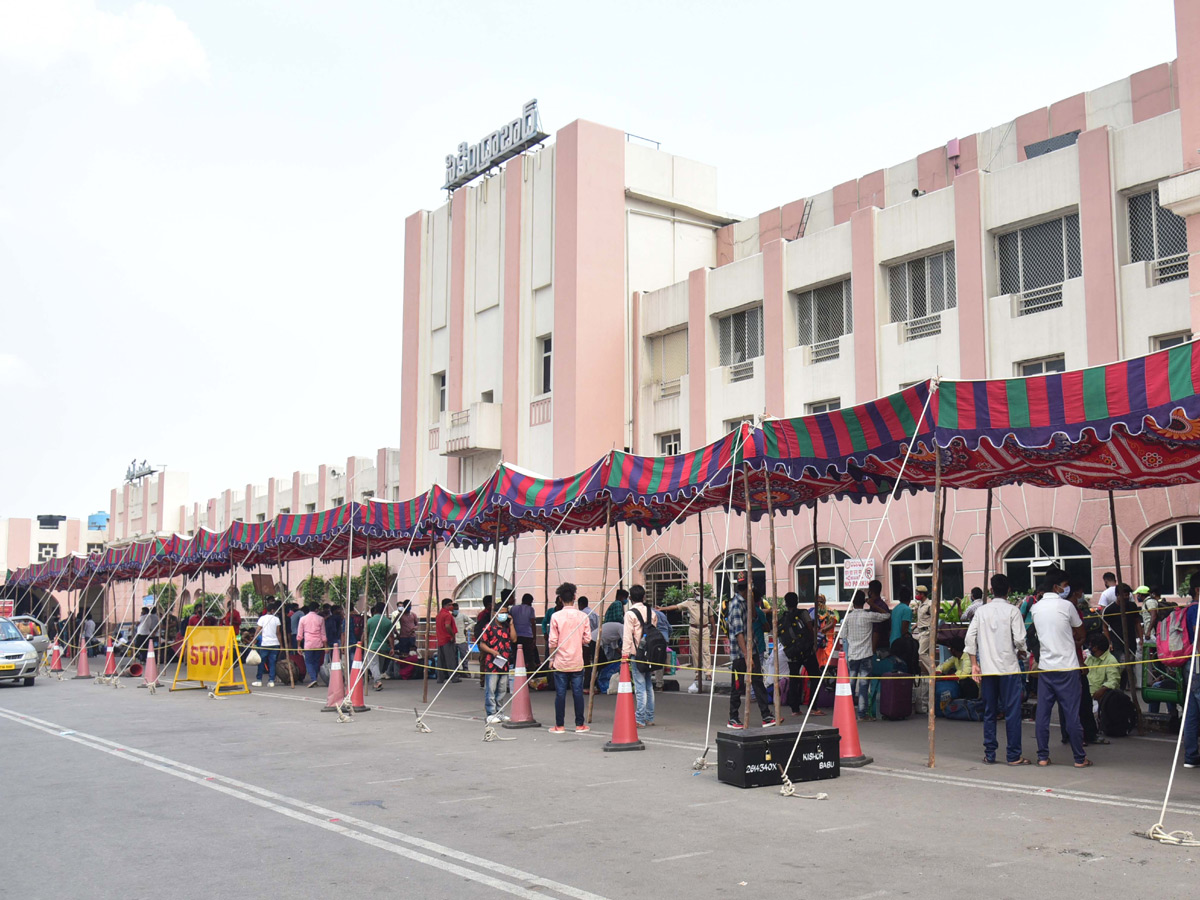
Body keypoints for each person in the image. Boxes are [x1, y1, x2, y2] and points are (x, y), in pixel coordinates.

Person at [1030, 567, 1091, 768]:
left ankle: (1042, 756)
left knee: (1043, 715)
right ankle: (1079, 758)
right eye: (1065, 586)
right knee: (1072, 714)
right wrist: (1076, 639)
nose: (1067, 589)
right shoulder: (1066, 607)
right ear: (1056, 587)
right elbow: (1080, 631)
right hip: (1067, 667)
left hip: (1046, 668)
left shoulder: (1036, 608)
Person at [965, 573, 1029, 765]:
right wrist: (1022, 652)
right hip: (1008, 668)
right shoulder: (1013, 611)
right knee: (1012, 713)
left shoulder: (981, 611)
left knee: (989, 712)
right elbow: (1019, 640)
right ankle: (1013, 755)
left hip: (988, 668)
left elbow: (970, 638)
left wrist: (974, 664)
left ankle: (990, 754)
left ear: (991, 590)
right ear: (1009, 590)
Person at [726, 576, 778, 729]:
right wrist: (747, 656)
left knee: (758, 682)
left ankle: (766, 715)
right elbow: (739, 633)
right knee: (737, 685)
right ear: (745, 589)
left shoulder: (747, 604)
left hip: (752, 649)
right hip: (740, 654)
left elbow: (754, 621)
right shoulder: (736, 605)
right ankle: (733, 717)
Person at [547, 582, 591, 733]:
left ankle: (559, 725)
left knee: (560, 694)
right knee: (578, 693)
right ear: (575, 597)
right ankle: (580, 724)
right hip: (577, 660)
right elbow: (587, 640)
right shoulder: (583, 616)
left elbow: (552, 641)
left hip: (560, 661)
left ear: (560, 599)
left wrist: (551, 660)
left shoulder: (555, 616)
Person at [843, 591, 891, 721]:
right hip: (866, 654)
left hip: (853, 655)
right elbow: (886, 615)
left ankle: (848, 713)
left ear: (853, 602)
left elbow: (843, 635)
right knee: (864, 685)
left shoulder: (847, 617)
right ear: (864, 602)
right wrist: (873, 605)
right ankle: (862, 714)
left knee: (851, 685)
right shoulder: (868, 615)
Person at [779, 592, 824, 716]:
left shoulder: (783, 617)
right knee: (815, 676)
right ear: (797, 601)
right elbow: (811, 628)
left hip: (792, 653)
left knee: (794, 679)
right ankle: (813, 707)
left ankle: (795, 709)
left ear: (786, 603)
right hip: (806, 651)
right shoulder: (803, 613)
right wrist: (814, 643)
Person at [661, 588, 713, 687]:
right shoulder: (689, 602)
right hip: (693, 628)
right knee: (695, 652)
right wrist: (662, 609)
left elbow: (711, 617)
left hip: (705, 628)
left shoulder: (707, 603)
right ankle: (698, 673)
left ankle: (708, 673)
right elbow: (675, 607)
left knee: (706, 651)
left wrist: (714, 629)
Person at [623, 585, 657, 727]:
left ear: (630, 598)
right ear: (644, 597)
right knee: (649, 685)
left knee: (640, 686)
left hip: (637, 653)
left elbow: (627, 636)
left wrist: (624, 654)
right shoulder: (652, 612)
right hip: (650, 653)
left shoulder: (630, 614)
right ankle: (649, 717)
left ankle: (640, 719)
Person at [478, 603, 516, 722]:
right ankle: (491, 713)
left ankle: (500, 712)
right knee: (491, 689)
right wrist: (492, 651)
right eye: (502, 612)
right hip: (492, 664)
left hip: (504, 663)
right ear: (495, 614)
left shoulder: (506, 627)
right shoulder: (489, 627)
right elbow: (482, 644)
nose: (504, 615)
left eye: (506, 612)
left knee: (502, 690)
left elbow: (514, 639)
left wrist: (511, 623)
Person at [1102, 583, 1143, 687]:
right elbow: (1105, 627)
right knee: (1121, 666)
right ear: (1117, 595)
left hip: (1131, 641)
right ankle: (1118, 687)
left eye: (1127, 594)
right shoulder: (1109, 609)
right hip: (1117, 643)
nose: (1126, 597)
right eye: (1123, 595)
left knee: (1130, 665)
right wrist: (1109, 642)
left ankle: (1127, 687)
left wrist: (1141, 638)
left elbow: (1137, 623)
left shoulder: (1132, 606)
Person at [1180, 592, 1200, 768]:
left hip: (1189, 663)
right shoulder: (1197, 610)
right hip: (1198, 664)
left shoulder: (1187, 609)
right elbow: (1197, 634)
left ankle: (1191, 756)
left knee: (1191, 713)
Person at [250, 601, 282, 687]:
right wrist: (281, 644)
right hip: (275, 643)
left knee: (261, 662)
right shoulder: (276, 619)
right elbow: (278, 633)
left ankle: (259, 680)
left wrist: (254, 642)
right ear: (272, 610)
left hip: (265, 643)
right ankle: (271, 681)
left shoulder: (262, 619)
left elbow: (257, 631)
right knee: (272, 662)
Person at [510, 593, 541, 680]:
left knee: (516, 656)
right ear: (529, 601)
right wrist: (534, 637)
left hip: (515, 636)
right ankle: (530, 677)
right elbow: (532, 623)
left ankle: (517, 677)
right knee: (529, 657)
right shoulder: (530, 609)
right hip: (527, 636)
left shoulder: (513, 608)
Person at [889, 593, 920, 676]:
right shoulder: (907, 610)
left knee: (896, 669)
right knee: (905, 669)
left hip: (893, 641)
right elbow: (904, 628)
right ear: (909, 599)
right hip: (902, 644)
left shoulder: (895, 608)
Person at [365, 602, 393, 691]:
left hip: (372, 646)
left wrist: (361, 644)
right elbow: (391, 636)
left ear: (375, 609)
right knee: (379, 665)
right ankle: (377, 679)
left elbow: (365, 634)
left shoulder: (370, 621)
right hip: (383, 646)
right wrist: (392, 647)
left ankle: (377, 681)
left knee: (374, 664)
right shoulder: (388, 622)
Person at [297, 604, 326, 688]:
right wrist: (325, 645)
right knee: (316, 661)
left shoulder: (303, 619)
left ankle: (313, 679)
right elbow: (323, 634)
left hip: (308, 643)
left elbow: (299, 634)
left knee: (308, 662)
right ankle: (315, 678)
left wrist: (299, 646)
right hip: (318, 643)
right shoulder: (321, 619)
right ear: (316, 609)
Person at [435, 598, 461, 683]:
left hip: (440, 639)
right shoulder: (447, 615)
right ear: (446, 605)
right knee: (450, 659)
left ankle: (440, 677)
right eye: (450, 604)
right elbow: (447, 626)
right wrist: (452, 635)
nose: (452, 606)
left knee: (441, 660)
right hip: (447, 639)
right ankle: (453, 677)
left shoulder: (439, 615)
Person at [912, 585, 935, 674]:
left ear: (922, 594)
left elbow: (933, 619)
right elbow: (921, 619)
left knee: (921, 653)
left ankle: (934, 671)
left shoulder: (929, 605)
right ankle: (932, 673)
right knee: (925, 653)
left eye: (918, 594)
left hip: (927, 632)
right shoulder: (921, 604)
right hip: (920, 632)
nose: (916, 595)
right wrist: (913, 628)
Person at [813, 594, 839, 668]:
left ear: (824, 601)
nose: (819, 603)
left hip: (827, 643)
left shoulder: (830, 612)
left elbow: (832, 623)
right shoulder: (813, 612)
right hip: (816, 643)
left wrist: (821, 631)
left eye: (821, 601)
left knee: (826, 665)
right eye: (817, 602)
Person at [580, 597, 599, 680]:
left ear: (580, 604)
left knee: (585, 661)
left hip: (584, 641)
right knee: (592, 661)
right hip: (593, 640)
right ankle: (591, 679)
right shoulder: (594, 613)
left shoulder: (581, 614)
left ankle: (586, 680)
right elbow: (598, 627)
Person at [452, 602, 471, 670]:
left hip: (462, 639)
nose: (456, 610)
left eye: (457, 609)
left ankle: (465, 670)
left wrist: (466, 629)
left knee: (464, 656)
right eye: (454, 609)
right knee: (454, 657)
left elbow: (472, 622)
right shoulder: (450, 617)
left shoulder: (462, 616)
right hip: (453, 639)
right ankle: (456, 670)